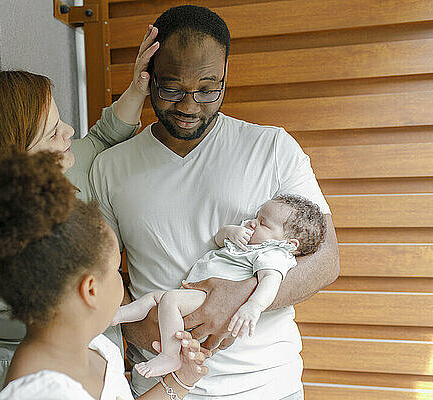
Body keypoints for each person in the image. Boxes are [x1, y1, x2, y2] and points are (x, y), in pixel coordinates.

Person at [90, 5, 339, 399]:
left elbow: (326, 260)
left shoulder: (272, 148)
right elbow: (101, 273)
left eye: (208, 89)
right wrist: (138, 326)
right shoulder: (109, 167)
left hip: (266, 384)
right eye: (171, 88)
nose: (189, 106)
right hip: (161, 384)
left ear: (225, 75)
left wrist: (236, 300)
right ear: (147, 75)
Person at [0, 26, 160, 400]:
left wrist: (138, 86)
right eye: (54, 132)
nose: (70, 132)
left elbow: (101, 138)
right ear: (13, 159)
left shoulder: (61, 170)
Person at [0, 150, 212, 400]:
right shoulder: (41, 394)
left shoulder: (97, 349)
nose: (121, 278)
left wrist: (180, 380)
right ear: (90, 290)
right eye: (116, 270)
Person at [111, 195, 326, 379]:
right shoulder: (249, 239)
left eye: (263, 223)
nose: (252, 223)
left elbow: (271, 281)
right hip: (198, 292)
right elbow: (218, 238)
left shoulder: (273, 254)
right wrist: (229, 232)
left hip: (210, 300)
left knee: (169, 301)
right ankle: (118, 316)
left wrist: (254, 306)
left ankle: (169, 356)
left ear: (288, 244)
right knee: (154, 298)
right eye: (257, 216)